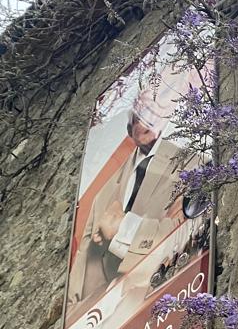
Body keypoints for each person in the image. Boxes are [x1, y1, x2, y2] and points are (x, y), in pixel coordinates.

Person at [66, 86, 188, 314]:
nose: (148, 115)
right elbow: (79, 280)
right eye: (141, 110)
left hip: (164, 302)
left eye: (154, 108)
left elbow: (182, 235)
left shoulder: (190, 164)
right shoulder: (103, 196)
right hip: (104, 320)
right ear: (130, 124)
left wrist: (122, 227)